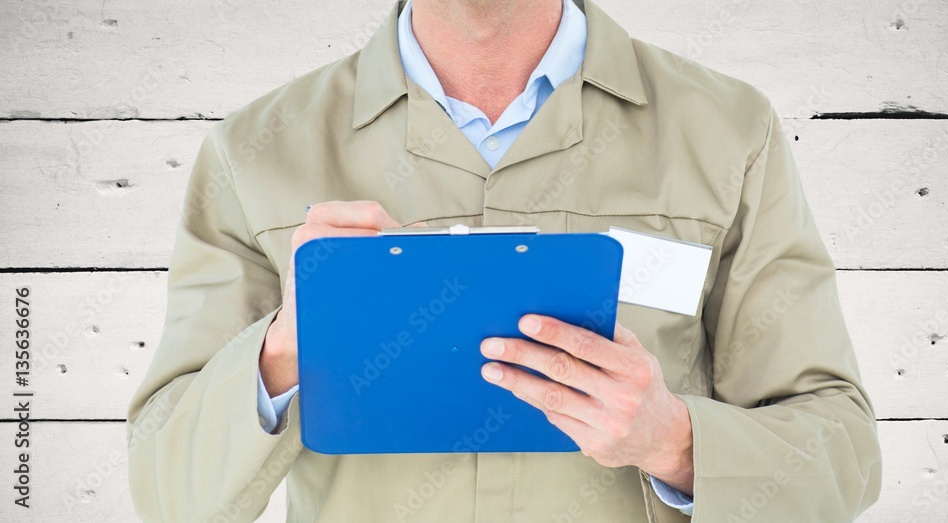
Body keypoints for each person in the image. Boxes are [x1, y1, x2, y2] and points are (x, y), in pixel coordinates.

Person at [126, 0, 882, 521]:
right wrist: (285, 345)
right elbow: (170, 488)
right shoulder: (254, 151)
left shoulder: (728, 133)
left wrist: (674, 440)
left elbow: (843, 453)